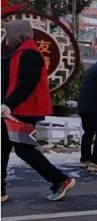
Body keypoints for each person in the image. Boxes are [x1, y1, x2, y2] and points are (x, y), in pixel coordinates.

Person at [1, 20, 76, 202]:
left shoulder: (30, 54)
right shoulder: (13, 53)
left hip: (23, 111)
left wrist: (8, 104)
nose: (6, 37)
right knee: (4, 148)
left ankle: (60, 180)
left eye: (8, 33)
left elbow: (27, 84)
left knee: (25, 150)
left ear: (18, 35)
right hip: (12, 110)